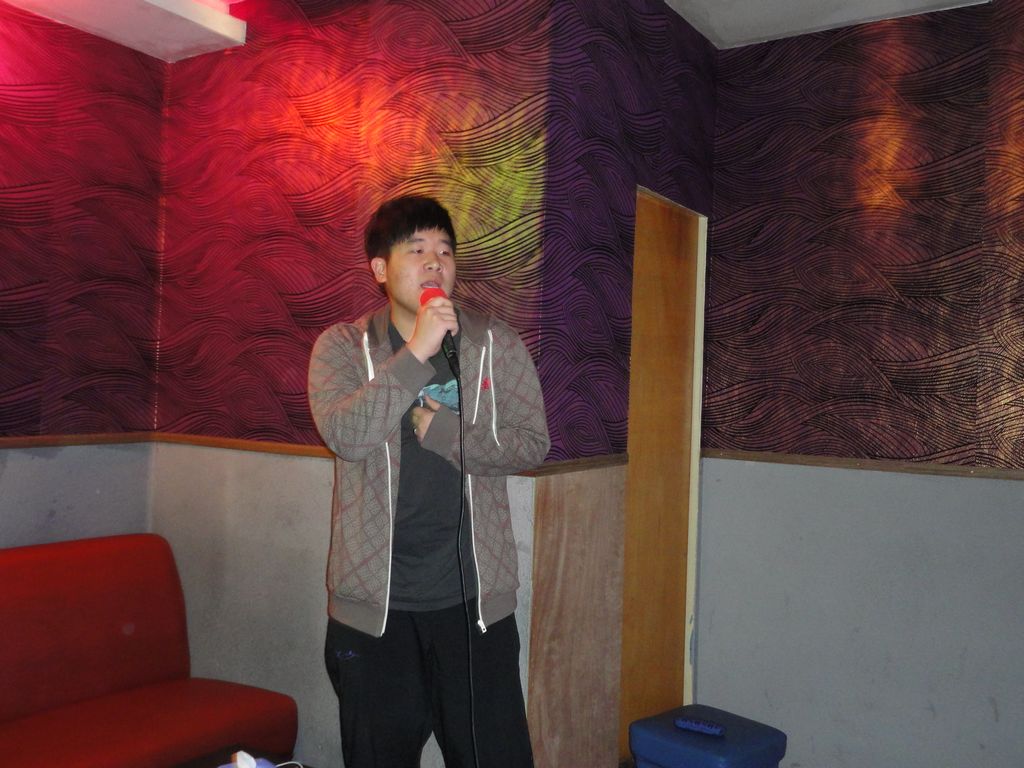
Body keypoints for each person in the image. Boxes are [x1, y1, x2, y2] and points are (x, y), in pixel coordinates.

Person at [308, 195, 550, 768]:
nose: (435, 261)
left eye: (444, 249)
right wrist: (418, 350)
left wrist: (447, 434)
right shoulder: (343, 348)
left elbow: (531, 444)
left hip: (474, 607)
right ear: (380, 268)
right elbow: (346, 435)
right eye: (416, 249)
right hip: (373, 612)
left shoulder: (494, 344)